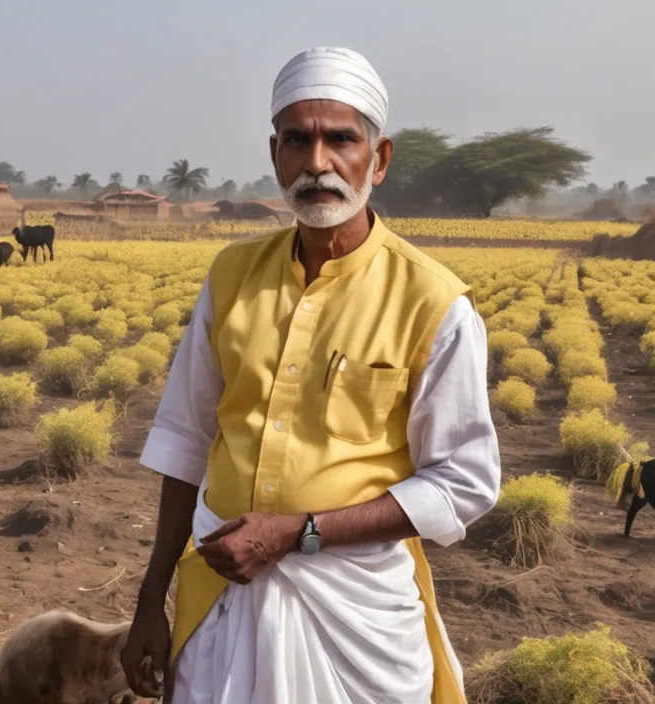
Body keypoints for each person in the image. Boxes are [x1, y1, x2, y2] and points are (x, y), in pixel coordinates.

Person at [121, 46, 502, 704]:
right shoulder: (231, 278)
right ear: (276, 154)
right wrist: (150, 598)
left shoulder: (434, 304)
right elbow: (186, 440)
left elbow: (462, 483)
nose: (318, 163)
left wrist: (299, 534)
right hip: (221, 593)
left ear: (377, 160)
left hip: (356, 614)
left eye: (341, 140)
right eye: (298, 140)